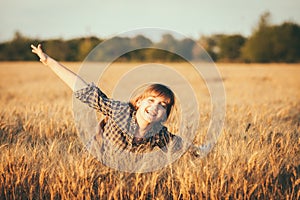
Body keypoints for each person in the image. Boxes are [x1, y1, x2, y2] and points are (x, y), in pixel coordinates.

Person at [31, 44, 211, 159]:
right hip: (91, 162)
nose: (155, 106)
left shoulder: (159, 133)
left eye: (163, 105)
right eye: (151, 100)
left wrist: (203, 151)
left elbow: (184, 147)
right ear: (139, 102)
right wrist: (49, 62)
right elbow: (84, 90)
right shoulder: (120, 111)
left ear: (165, 115)